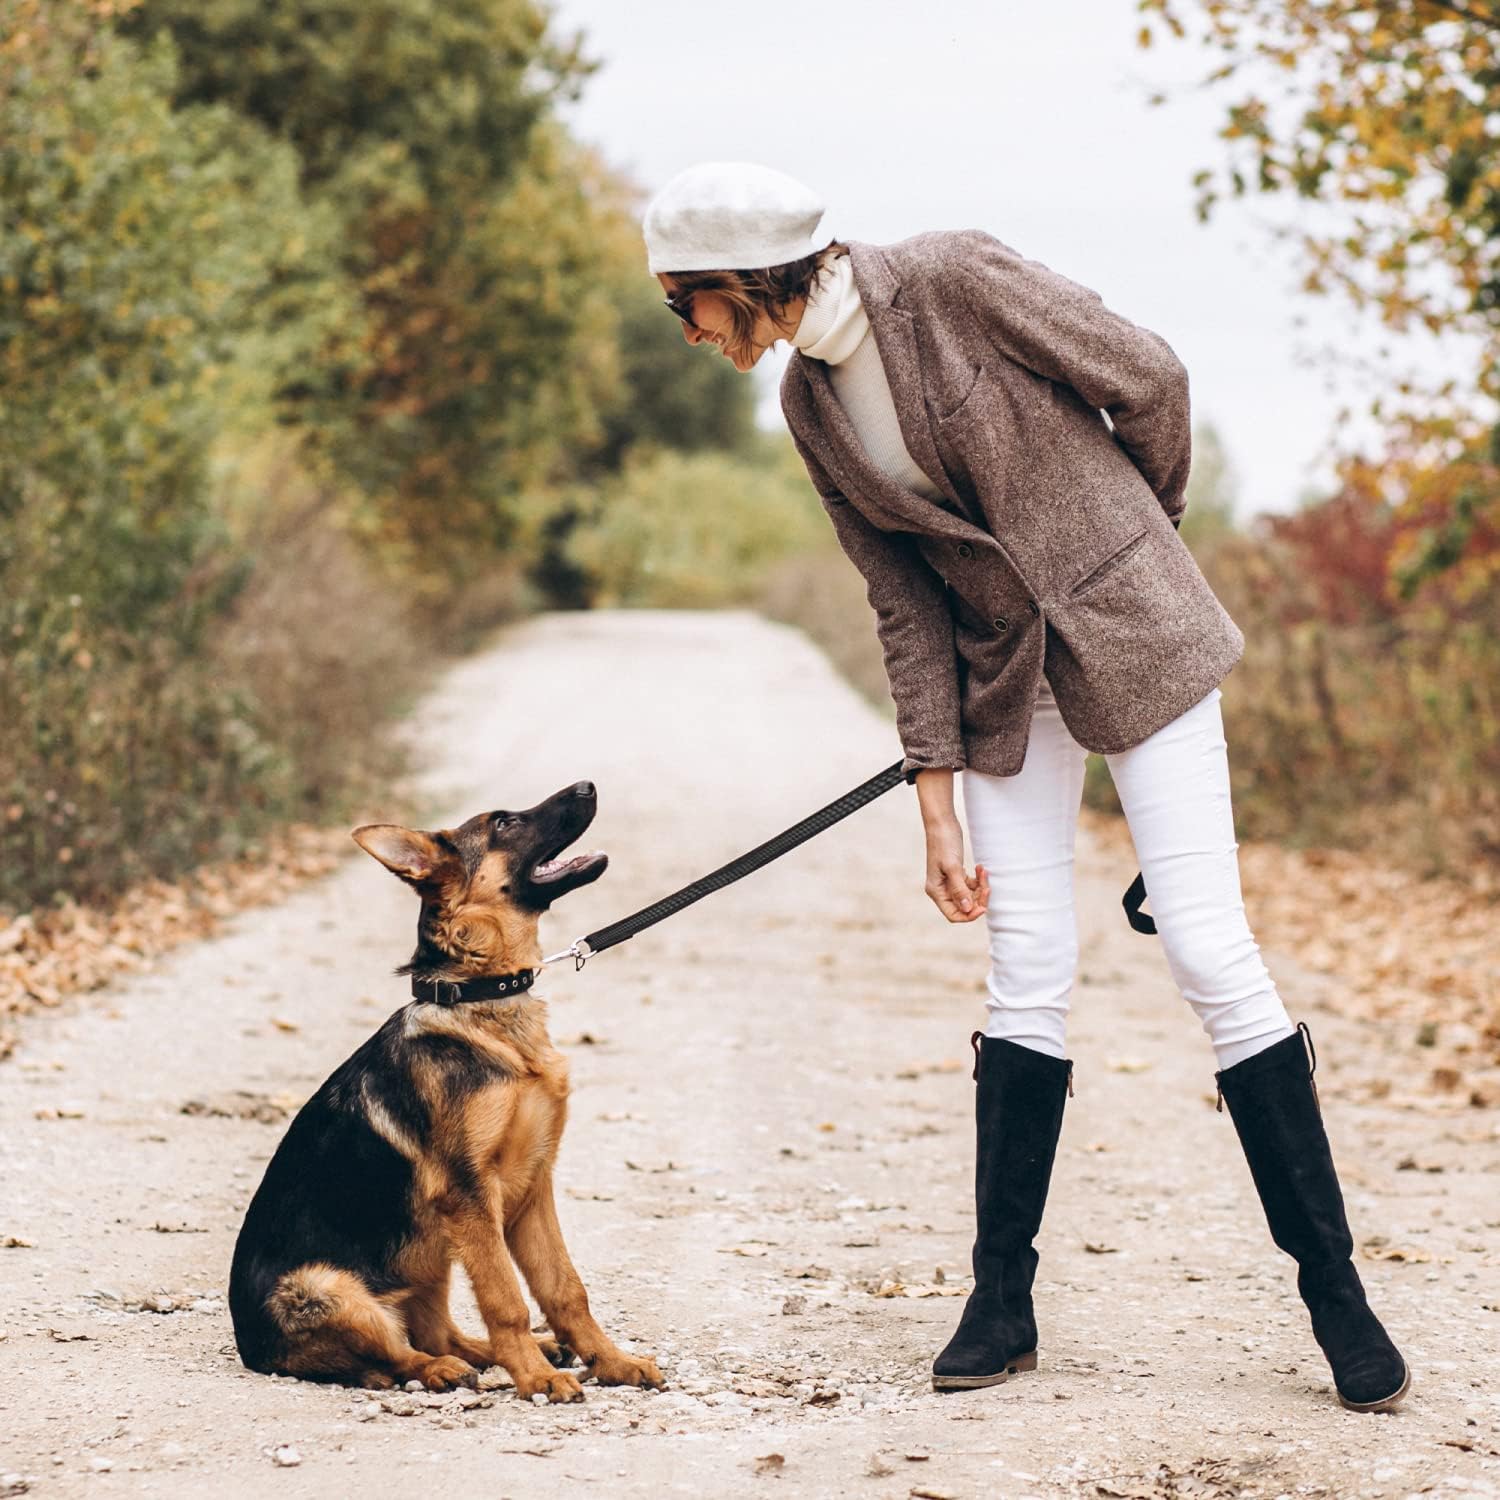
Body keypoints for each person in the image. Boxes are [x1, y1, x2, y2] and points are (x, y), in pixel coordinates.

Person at [640, 160, 1410, 1414]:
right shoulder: (809, 406)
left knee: (1212, 956)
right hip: (1006, 685)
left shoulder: (949, 277)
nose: (690, 334)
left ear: (744, 275)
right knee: (1026, 970)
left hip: (1140, 637)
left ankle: (1337, 1296)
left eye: (689, 306)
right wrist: (931, 787)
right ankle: (1002, 1301)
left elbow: (1148, 376)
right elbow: (901, 598)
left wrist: (1128, 543)